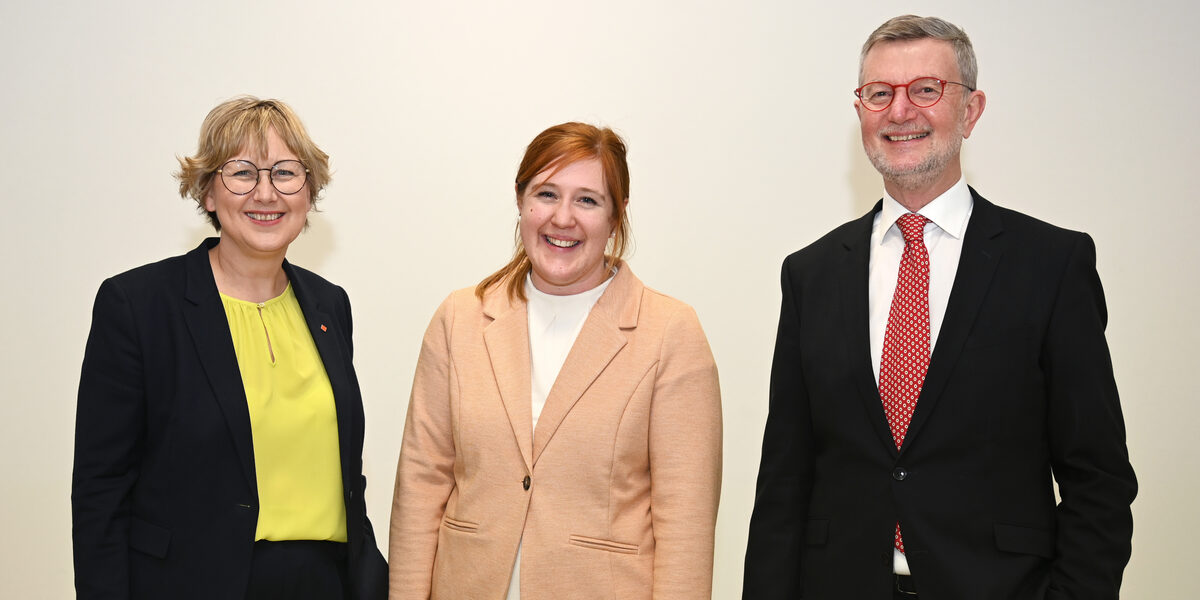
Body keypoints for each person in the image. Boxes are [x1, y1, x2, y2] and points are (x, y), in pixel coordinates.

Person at [743, 15, 1136, 600]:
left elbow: (1098, 478)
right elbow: (784, 483)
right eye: (880, 94)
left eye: (926, 89)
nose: (900, 112)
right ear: (860, 113)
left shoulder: (1052, 265)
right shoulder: (811, 274)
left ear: (972, 110)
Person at [389, 122, 722, 599]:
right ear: (521, 200)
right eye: (546, 194)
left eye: (587, 200)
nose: (562, 218)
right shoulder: (459, 319)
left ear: (616, 216)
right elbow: (420, 489)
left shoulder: (670, 333)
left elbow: (685, 524)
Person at [72, 97, 388, 599]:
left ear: (309, 192)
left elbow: (348, 478)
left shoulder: (330, 306)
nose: (266, 192)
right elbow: (101, 493)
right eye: (241, 173)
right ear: (208, 192)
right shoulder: (138, 305)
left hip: (324, 583)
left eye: (286, 172)